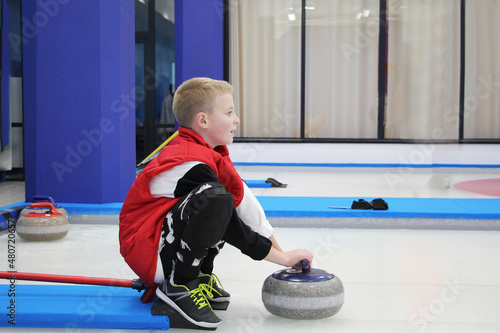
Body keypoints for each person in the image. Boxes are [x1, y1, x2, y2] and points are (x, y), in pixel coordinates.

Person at [119, 77, 313, 329]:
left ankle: (199, 277)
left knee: (221, 197)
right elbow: (232, 222)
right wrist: (279, 259)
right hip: (146, 250)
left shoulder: (210, 153)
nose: (236, 120)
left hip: (159, 244)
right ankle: (180, 285)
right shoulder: (188, 161)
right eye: (229, 112)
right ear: (203, 121)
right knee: (215, 199)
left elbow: (245, 203)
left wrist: (284, 253)